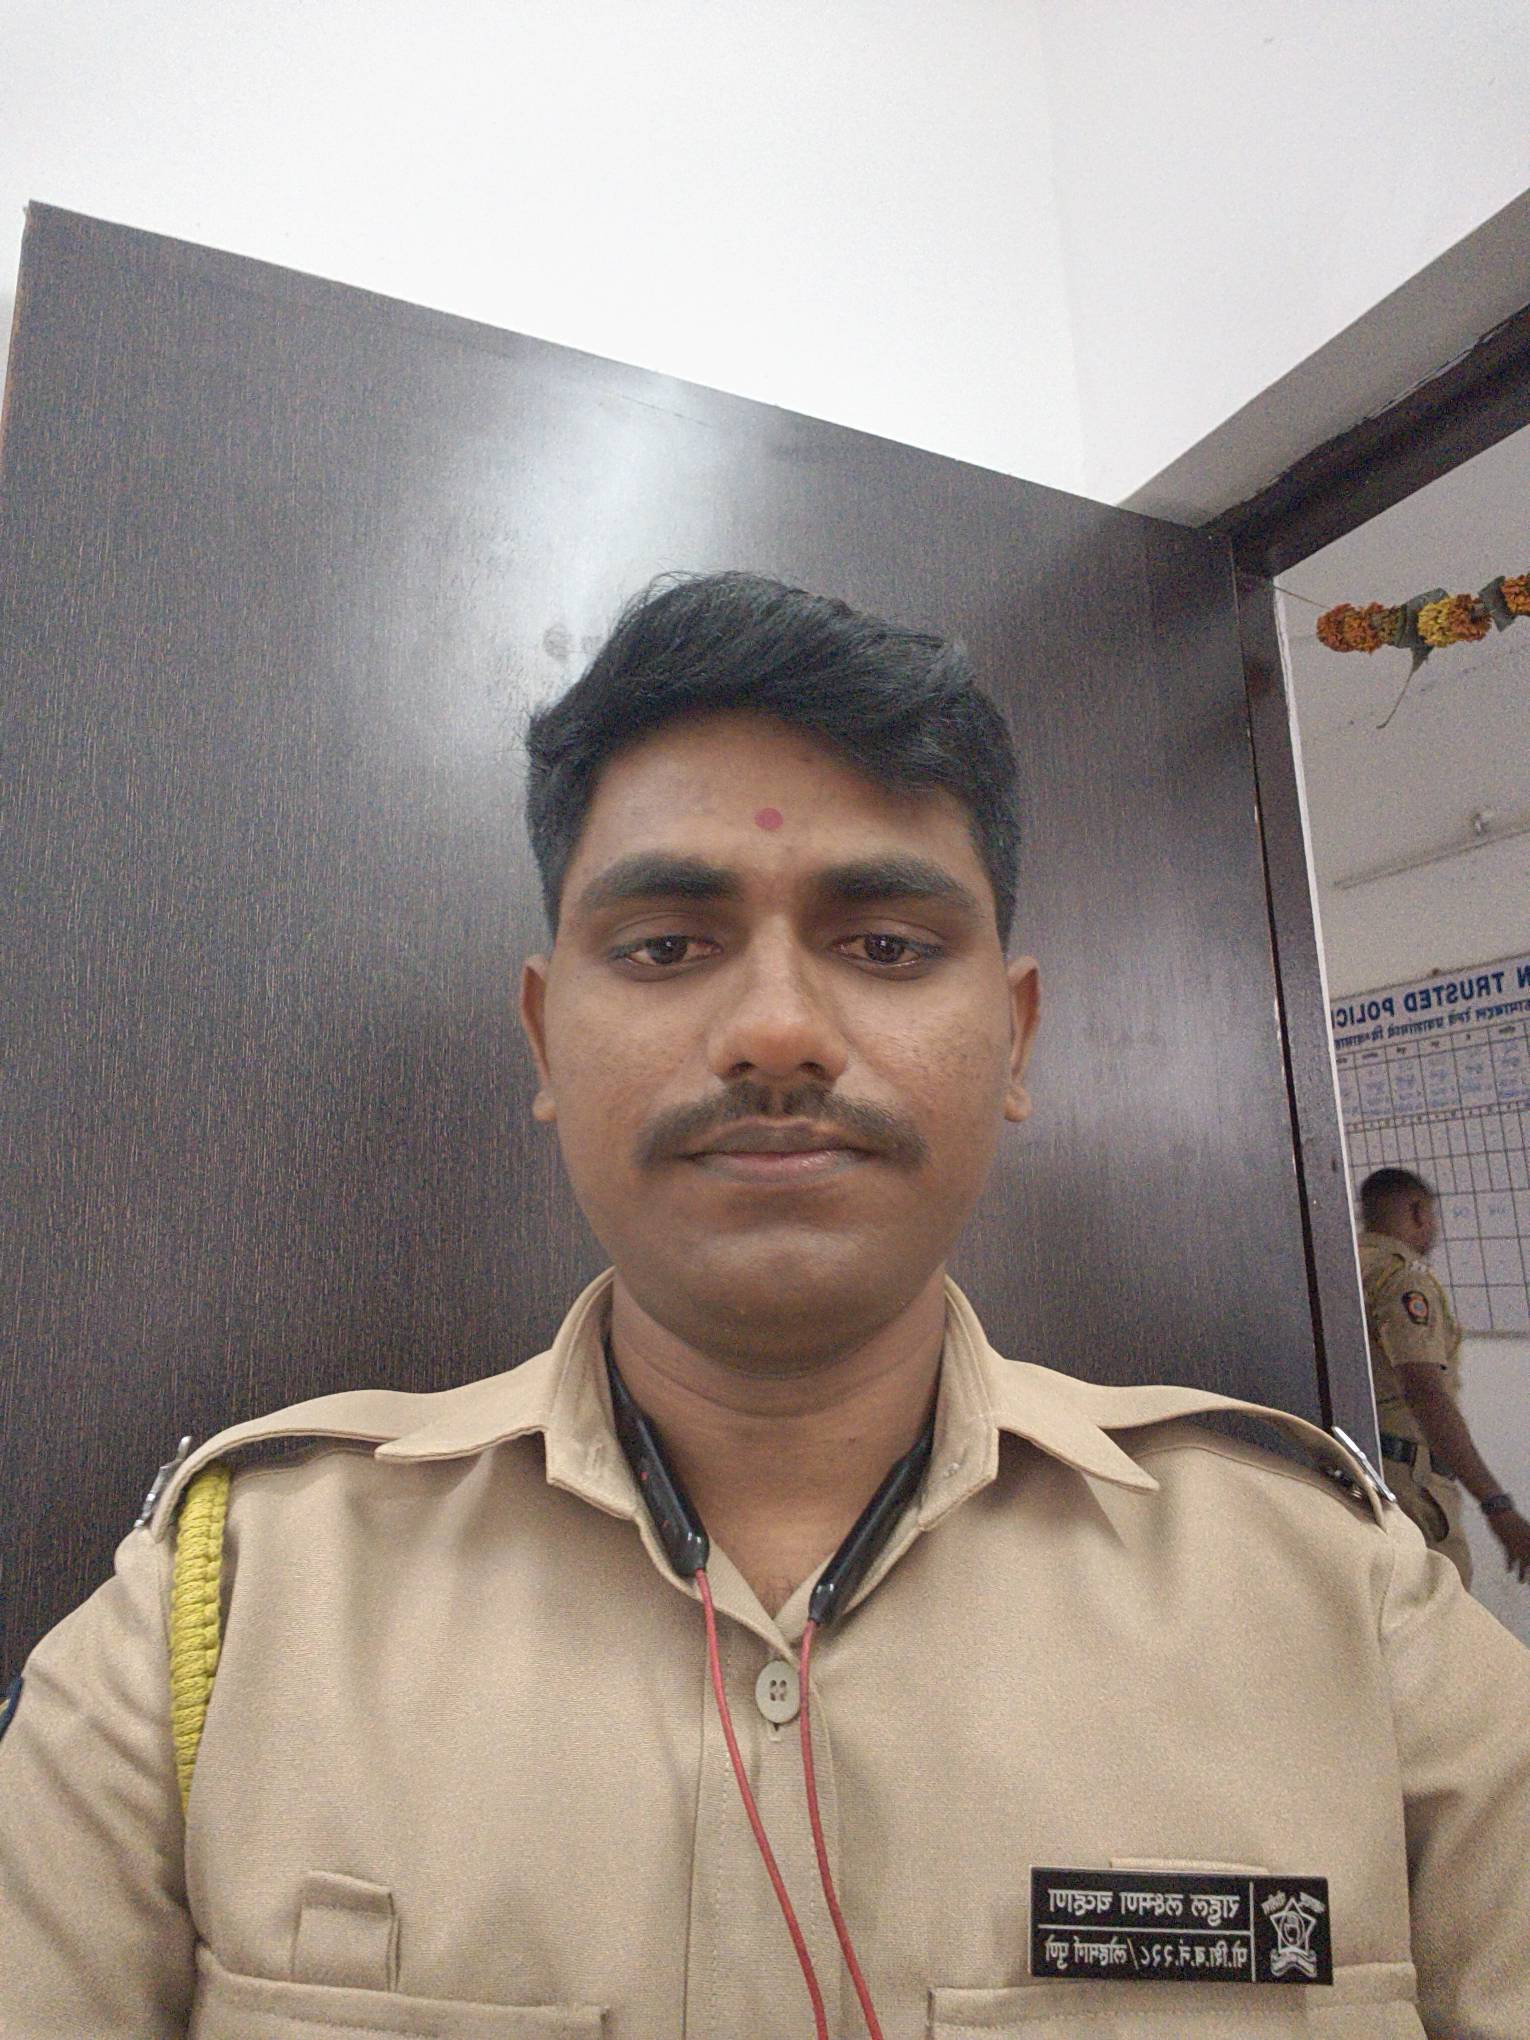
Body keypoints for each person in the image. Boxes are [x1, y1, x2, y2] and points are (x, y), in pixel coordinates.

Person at [2, 572, 1527, 2040]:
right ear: (544, 1038)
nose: (779, 1032)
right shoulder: (220, 1612)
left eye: (885, 946)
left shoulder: (1353, 1609)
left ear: (1011, 1037)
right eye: (666, 946)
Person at [1356, 1164, 1530, 1590]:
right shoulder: (1401, 1279)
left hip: (1350, 1471)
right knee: (1439, 1610)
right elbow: (1426, 1394)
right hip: (1407, 1485)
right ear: (1417, 1212)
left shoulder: (1343, 1268)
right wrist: (1496, 1504)